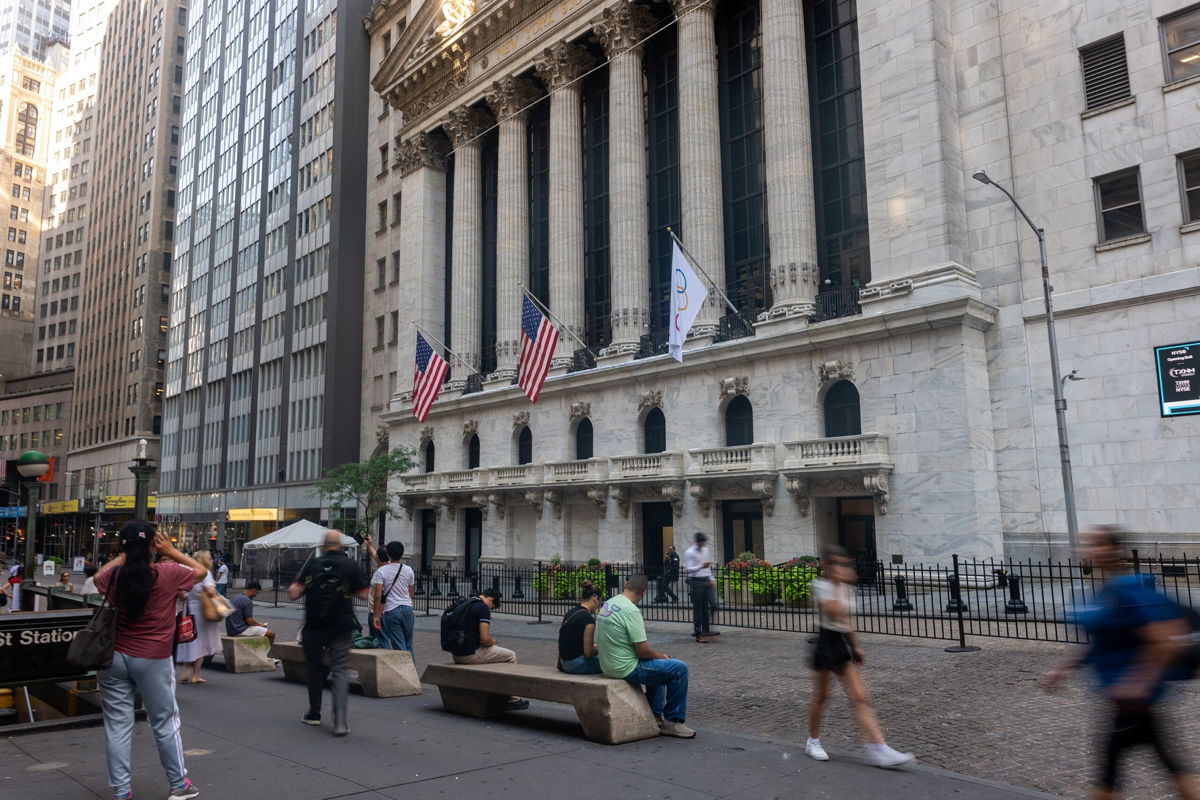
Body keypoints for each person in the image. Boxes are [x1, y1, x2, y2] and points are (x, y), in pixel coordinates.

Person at [1043, 526, 1197, 800]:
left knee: (1109, 775)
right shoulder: (1104, 591)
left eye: (1097, 544)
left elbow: (1166, 640)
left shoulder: (1128, 589)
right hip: (1129, 706)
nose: (1089, 550)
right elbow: (1103, 640)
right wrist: (1064, 668)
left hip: (1133, 704)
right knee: (1169, 766)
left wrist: (1137, 683)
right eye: (1087, 544)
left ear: (1115, 550)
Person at [94, 520, 207, 800]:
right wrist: (173, 550)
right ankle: (179, 784)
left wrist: (122, 555)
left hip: (114, 657)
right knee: (165, 722)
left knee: (118, 726)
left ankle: (122, 792)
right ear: (154, 545)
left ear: (124, 547)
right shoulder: (168, 572)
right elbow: (201, 571)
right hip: (153, 657)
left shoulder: (115, 576)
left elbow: (97, 578)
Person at [805, 544, 914, 768]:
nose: (840, 568)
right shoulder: (820, 585)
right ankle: (813, 740)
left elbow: (847, 621)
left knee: (860, 696)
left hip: (842, 642)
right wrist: (838, 583)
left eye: (843, 564)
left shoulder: (845, 587)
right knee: (821, 697)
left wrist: (856, 646)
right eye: (834, 563)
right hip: (825, 642)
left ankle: (879, 747)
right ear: (825, 565)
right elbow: (833, 611)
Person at [288, 530, 370, 735]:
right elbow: (363, 594)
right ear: (341, 546)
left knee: (315, 669)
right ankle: (340, 720)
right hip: (341, 625)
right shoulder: (351, 565)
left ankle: (314, 714)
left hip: (314, 626)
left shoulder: (313, 564)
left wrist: (302, 587)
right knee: (341, 669)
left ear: (324, 546)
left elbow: (294, 592)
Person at [595, 574, 694, 738]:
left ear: (626, 585)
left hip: (608, 664)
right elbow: (643, 651)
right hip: (625, 667)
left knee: (658, 667)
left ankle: (655, 715)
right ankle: (673, 721)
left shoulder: (609, 603)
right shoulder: (631, 610)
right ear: (644, 592)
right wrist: (663, 656)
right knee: (679, 668)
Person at [450, 587, 529, 710]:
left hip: (456, 654)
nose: (490, 610)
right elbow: (485, 639)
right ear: (491, 599)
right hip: (470, 655)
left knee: (496, 653)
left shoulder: (467, 603)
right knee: (510, 655)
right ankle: (513, 699)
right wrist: (492, 642)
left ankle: (498, 692)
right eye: (492, 607)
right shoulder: (483, 608)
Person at [176, 551, 222, 685]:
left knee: (188, 639)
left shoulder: (190, 572)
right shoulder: (205, 573)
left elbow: (181, 591)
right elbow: (211, 592)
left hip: (188, 609)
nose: (212, 560)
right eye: (210, 557)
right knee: (201, 641)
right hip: (202, 611)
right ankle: (196, 674)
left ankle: (185, 672)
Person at [370, 541, 415, 653]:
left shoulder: (382, 571)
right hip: (407, 608)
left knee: (399, 646)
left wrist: (376, 616)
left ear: (388, 554)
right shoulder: (409, 570)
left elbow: (378, 595)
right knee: (409, 645)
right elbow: (411, 593)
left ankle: (404, 670)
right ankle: (412, 670)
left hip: (392, 610)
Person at [558, 580, 603, 674]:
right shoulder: (588, 620)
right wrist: (603, 647)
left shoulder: (572, 612)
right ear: (595, 598)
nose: (599, 605)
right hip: (576, 664)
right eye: (600, 601)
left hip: (563, 662)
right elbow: (588, 653)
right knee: (612, 663)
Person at [683, 533, 718, 642]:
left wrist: (711, 579)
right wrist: (701, 566)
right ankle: (698, 633)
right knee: (697, 608)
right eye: (700, 543)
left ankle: (707, 625)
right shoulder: (689, 552)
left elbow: (707, 568)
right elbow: (688, 569)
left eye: (703, 543)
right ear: (697, 542)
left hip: (706, 579)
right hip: (696, 581)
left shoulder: (705, 550)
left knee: (713, 604)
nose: (702, 545)